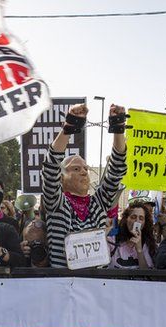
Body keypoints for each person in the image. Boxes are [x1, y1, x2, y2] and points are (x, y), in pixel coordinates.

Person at [42, 103, 128, 267]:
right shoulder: (56, 203)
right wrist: (69, 127)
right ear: (61, 178)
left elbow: (116, 170)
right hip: (64, 285)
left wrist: (118, 129)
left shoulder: (99, 203)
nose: (83, 172)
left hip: (94, 284)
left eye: (86, 168)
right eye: (75, 168)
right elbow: (51, 167)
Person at [108, 204, 156, 269]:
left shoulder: (147, 244)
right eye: (133, 217)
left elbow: (146, 274)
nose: (137, 221)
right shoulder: (113, 241)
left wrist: (139, 250)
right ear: (126, 219)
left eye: (141, 219)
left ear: (145, 224)